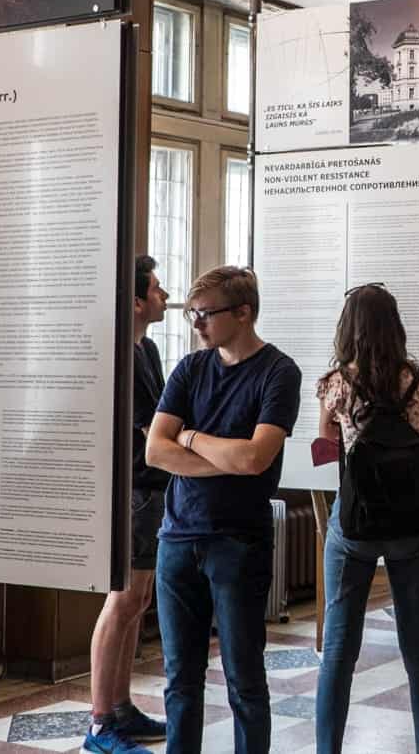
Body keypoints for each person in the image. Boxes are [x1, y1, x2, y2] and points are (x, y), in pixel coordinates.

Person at [144, 266, 301, 754]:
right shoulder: (190, 369)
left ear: (243, 313)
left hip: (239, 541)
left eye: (204, 314)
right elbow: (154, 450)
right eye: (192, 314)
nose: (196, 324)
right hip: (177, 538)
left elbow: (255, 458)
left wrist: (188, 438)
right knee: (180, 683)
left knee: (245, 683)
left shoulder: (279, 372)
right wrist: (221, 456)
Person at [313, 284, 419, 754]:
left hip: (354, 527)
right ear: (396, 326)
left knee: (338, 652)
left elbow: (325, 451)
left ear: (349, 327)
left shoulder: (335, 384)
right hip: (411, 525)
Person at [85, 256, 171, 754]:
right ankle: (100, 722)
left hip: (153, 486)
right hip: (135, 490)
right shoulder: (121, 352)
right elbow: (147, 430)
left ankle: (120, 707)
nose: (163, 296)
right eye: (157, 289)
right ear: (137, 300)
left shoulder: (150, 349)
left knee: (137, 600)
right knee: (121, 600)